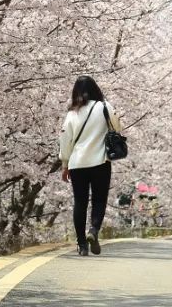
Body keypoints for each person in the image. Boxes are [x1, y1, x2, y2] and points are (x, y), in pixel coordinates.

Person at [59, 75, 120, 256]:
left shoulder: (72, 113)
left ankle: (82, 245)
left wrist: (65, 164)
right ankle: (93, 230)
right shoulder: (105, 107)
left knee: (80, 202)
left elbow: (65, 139)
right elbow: (117, 129)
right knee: (99, 200)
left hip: (77, 163)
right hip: (100, 161)